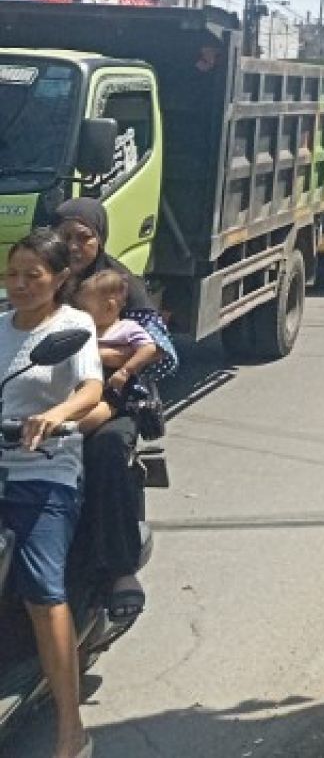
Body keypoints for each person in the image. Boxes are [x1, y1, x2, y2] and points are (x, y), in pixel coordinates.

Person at [1, 229, 103, 758]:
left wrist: (54, 415)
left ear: (60, 278)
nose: (19, 284)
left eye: (32, 275)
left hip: (43, 471)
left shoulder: (73, 326)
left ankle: (71, 727)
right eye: (12, 274)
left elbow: (91, 388)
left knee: (42, 592)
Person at [51, 198, 173, 623]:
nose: (73, 246)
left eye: (82, 237)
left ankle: (121, 570)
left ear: (99, 238)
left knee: (104, 450)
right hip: (48, 394)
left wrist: (103, 357)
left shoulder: (121, 284)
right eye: (64, 236)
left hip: (116, 400)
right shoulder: (44, 277)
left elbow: (162, 353)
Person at [73, 272, 161, 436]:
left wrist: (125, 371)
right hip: (84, 383)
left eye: (85, 309)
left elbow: (149, 348)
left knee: (97, 414)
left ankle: (73, 432)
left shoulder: (127, 328)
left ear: (110, 307)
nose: (80, 314)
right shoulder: (85, 329)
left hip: (113, 387)